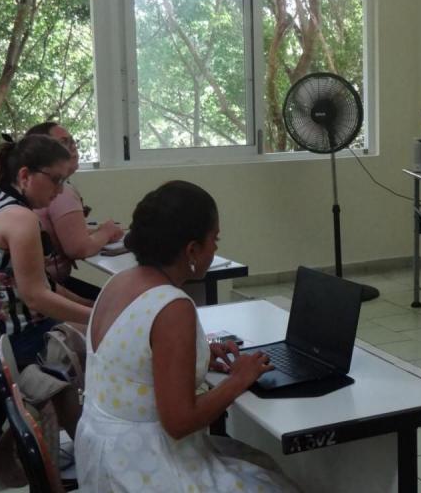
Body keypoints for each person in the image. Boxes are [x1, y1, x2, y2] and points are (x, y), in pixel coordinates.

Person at [76, 180, 297, 492]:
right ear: (192, 250)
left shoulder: (120, 282)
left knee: (258, 465)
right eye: (214, 240)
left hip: (105, 458)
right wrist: (239, 379)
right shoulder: (173, 306)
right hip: (145, 468)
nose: (216, 249)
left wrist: (199, 354)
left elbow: (135, 359)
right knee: (275, 482)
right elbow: (179, 423)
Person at [0, 134, 93, 438]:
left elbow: (45, 285)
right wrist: (96, 317)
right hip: (18, 340)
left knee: (96, 322)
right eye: (55, 181)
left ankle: (80, 440)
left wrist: (93, 308)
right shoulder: (21, 219)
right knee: (110, 341)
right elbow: (36, 297)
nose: (60, 191)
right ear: (25, 175)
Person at [26, 122, 123, 299]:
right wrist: (107, 232)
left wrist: (97, 232)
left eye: (72, 141)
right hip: (46, 290)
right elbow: (78, 249)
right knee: (120, 302)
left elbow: (63, 234)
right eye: (64, 143)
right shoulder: (62, 193)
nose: (72, 148)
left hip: (47, 287)